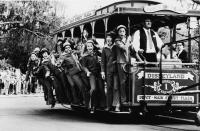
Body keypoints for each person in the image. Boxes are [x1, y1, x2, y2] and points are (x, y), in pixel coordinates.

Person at [80, 40, 106, 113]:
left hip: (99, 73)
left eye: (91, 46)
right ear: (86, 47)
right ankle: (91, 106)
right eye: (88, 46)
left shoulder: (96, 53)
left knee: (101, 88)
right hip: (92, 74)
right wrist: (87, 72)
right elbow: (84, 66)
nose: (89, 47)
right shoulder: (85, 56)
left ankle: (103, 105)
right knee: (93, 88)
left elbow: (102, 53)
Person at [101, 32, 119, 111]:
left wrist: (115, 61)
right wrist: (102, 72)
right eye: (107, 39)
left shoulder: (116, 47)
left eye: (110, 39)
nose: (108, 40)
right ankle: (108, 106)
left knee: (115, 87)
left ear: (112, 39)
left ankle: (115, 105)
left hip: (116, 70)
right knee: (109, 88)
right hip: (108, 71)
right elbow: (102, 61)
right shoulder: (104, 49)